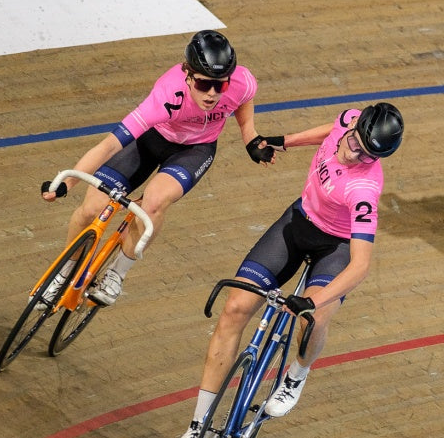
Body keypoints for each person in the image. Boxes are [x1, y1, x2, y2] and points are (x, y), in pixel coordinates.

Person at [177, 102, 404, 438]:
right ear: (355, 125)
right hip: (299, 222)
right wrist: (283, 141)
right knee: (234, 309)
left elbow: (360, 266)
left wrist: (312, 301)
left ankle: (296, 375)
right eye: (355, 143)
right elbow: (328, 131)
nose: (355, 154)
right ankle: (199, 423)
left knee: (313, 320)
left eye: (367, 155)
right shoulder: (349, 117)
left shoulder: (364, 190)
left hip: (336, 248)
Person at [40, 30, 278, 305]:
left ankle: (117, 273)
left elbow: (244, 99)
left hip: (195, 151)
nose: (212, 94)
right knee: (92, 208)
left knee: (153, 203)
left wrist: (249, 136)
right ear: (188, 73)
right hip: (151, 141)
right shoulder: (166, 95)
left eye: (220, 86)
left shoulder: (241, 81)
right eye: (203, 84)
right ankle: (66, 270)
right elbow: (108, 146)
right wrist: (67, 183)